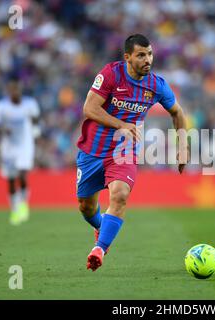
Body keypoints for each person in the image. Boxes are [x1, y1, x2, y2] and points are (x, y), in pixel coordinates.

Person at [77, 34, 188, 271]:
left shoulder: (157, 85)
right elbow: (89, 108)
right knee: (86, 207)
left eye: (149, 54)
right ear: (127, 57)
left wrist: (182, 147)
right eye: (141, 55)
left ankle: (100, 248)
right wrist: (121, 124)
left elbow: (177, 113)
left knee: (119, 195)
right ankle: (100, 224)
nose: (147, 59)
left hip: (123, 151)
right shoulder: (110, 74)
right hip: (93, 150)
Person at [0, 76, 41, 225]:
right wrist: (2, 128)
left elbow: (36, 119)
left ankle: (23, 205)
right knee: (11, 180)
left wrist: (35, 127)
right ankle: (14, 209)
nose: (15, 92)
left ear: (20, 89)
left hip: (25, 145)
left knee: (22, 175)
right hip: (8, 147)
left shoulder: (30, 104)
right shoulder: (1, 107)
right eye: (11, 89)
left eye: (17, 89)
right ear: (8, 91)